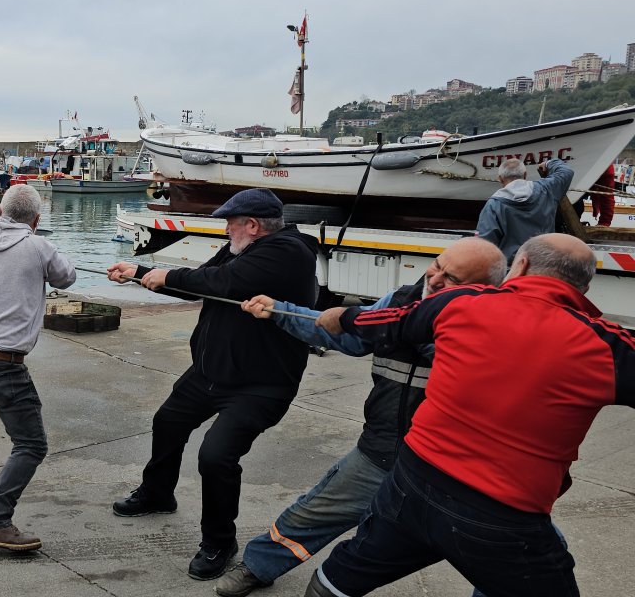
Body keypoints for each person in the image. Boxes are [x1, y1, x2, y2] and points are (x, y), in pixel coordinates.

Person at [304, 233, 634, 597]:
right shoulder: (610, 346)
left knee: (345, 574)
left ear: (519, 266)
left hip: (411, 485)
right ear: (585, 286)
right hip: (503, 518)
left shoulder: (461, 303)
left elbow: (390, 321)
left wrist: (342, 316)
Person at [216, 237, 507, 597]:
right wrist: (279, 310)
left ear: (485, 290)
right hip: (382, 450)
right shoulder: (400, 300)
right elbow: (348, 334)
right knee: (314, 511)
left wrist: (407, 326)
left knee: (507, 549)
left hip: (455, 468)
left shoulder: (496, 329)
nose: (435, 279)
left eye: (453, 279)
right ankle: (259, 566)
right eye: (437, 265)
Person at [106, 187, 318, 581]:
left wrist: (164, 273)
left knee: (216, 457)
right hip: (210, 373)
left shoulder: (288, 252)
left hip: (261, 384)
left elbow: (225, 282)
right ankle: (157, 493)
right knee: (168, 421)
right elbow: (201, 280)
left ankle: (219, 540)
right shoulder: (243, 249)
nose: (225, 230)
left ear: (252, 226)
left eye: (230, 223)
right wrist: (139, 274)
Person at [0, 184, 76, 552]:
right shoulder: (39, 246)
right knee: (31, 444)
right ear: (36, 220)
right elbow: (65, 277)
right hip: (1, 364)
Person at [476, 158, 574, 259]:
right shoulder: (546, 189)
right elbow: (566, 172)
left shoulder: (493, 205)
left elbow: (485, 244)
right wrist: (548, 163)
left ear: (500, 179)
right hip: (544, 263)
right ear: (525, 174)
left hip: (513, 267)